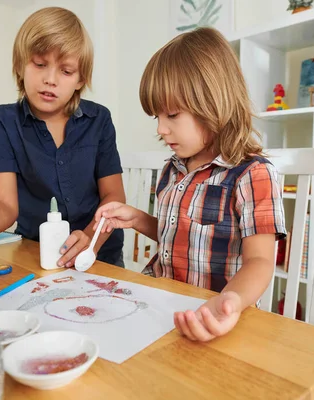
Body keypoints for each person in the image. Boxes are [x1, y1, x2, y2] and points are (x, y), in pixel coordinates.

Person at [95, 27, 287, 341]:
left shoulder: (251, 174)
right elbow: (181, 237)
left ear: (214, 103)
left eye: (172, 114)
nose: (161, 128)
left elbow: (260, 261)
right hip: (163, 307)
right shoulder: (172, 169)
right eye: (156, 116)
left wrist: (231, 301)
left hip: (216, 321)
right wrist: (139, 219)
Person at [0, 7, 125, 268]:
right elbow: (4, 206)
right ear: (20, 65)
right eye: (40, 64)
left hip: (101, 256)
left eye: (66, 71)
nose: (50, 79)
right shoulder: (1, 123)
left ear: (80, 79)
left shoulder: (99, 120)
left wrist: (89, 239)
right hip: (37, 256)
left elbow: (113, 196)